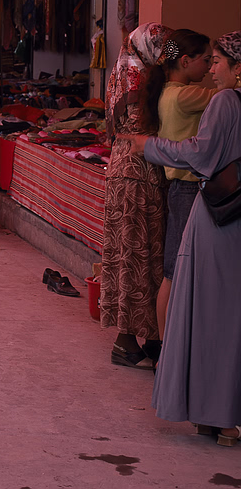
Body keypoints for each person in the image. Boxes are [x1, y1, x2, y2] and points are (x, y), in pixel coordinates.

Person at [123, 31, 241, 445]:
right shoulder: (206, 97)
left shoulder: (223, 101)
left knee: (208, 312)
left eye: (218, 61)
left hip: (217, 214)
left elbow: (199, 154)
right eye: (207, 60)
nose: (211, 68)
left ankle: (216, 412)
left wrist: (149, 146)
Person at [101, 22, 172, 370]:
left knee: (126, 255)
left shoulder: (121, 72)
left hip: (120, 167)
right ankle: (143, 338)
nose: (169, 55)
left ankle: (132, 339)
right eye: (165, 49)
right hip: (142, 172)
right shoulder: (144, 81)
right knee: (142, 255)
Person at [138, 29, 215, 340]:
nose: (211, 68)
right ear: (185, 61)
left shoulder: (168, 92)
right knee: (175, 271)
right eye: (208, 60)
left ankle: (168, 348)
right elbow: (227, 95)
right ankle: (168, 347)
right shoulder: (186, 96)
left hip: (181, 189)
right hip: (187, 189)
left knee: (175, 270)